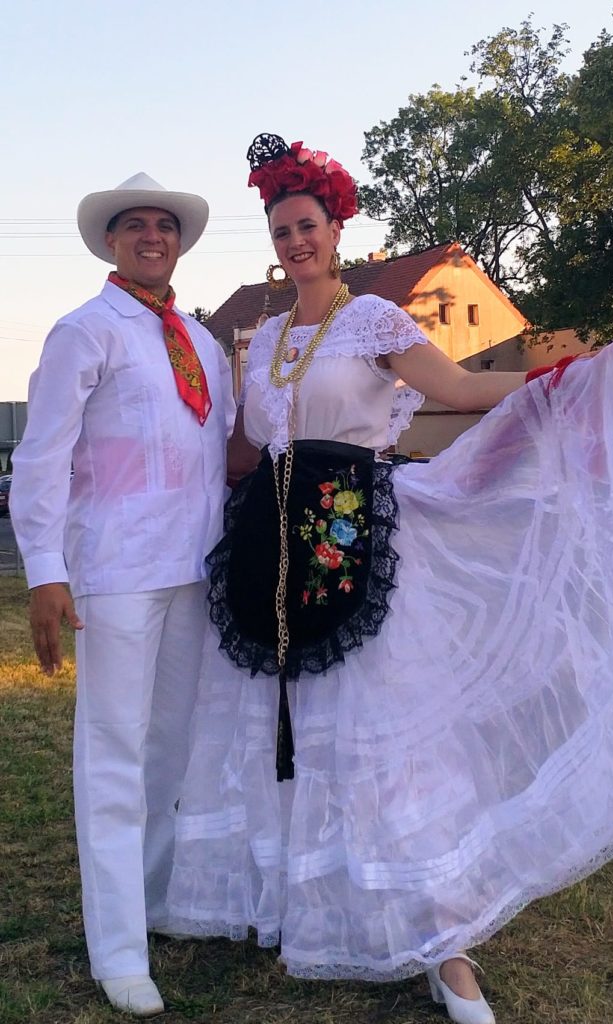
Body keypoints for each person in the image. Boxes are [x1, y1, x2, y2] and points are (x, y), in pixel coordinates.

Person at [164, 135, 613, 1024]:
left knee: (382, 741)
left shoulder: (374, 320)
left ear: (335, 230)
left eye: (307, 225)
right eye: (281, 229)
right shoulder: (262, 340)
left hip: (354, 539)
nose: (296, 241)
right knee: (276, 730)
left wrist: (562, 376)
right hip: (267, 549)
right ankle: (297, 901)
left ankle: (441, 942)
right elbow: (240, 446)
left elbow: (457, 390)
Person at [10, 173, 236, 1017]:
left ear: (178, 242)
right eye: (134, 225)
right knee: (113, 752)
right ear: (111, 240)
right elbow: (41, 456)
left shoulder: (202, 342)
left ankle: (153, 900)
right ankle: (117, 950)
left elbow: (224, 448)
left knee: (170, 751)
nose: (151, 236)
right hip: (114, 572)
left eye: (164, 226)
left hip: (194, 568)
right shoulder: (85, 331)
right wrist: (45, 570)